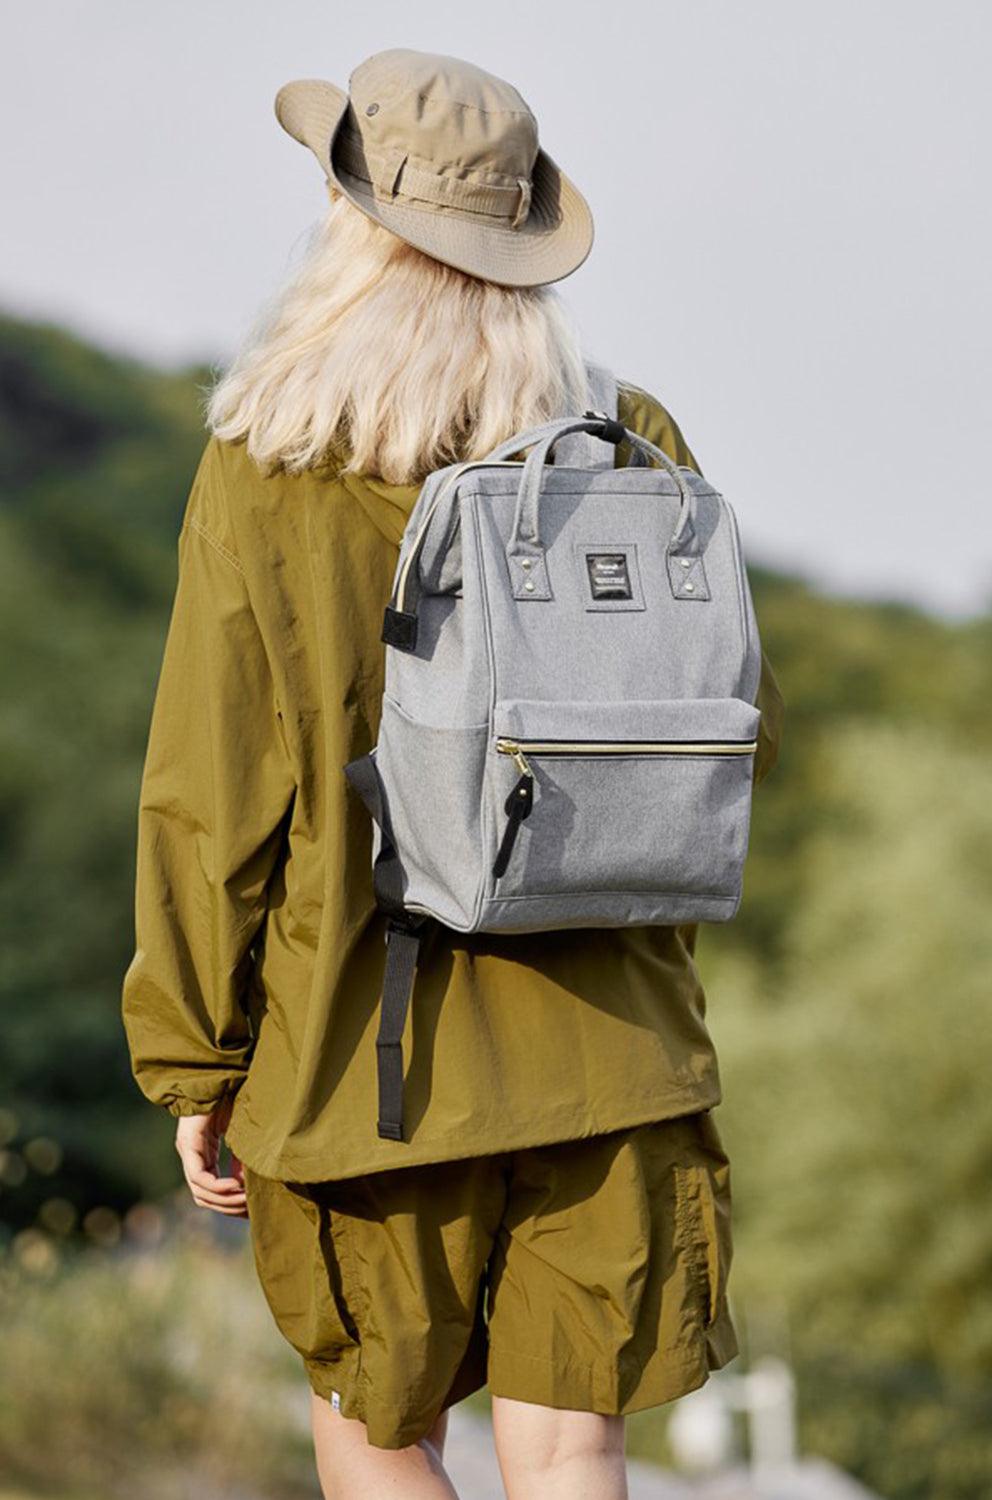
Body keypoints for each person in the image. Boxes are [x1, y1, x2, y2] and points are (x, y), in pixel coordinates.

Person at [121, 46, 784, 1500]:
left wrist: (194, 1058)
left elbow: (212, 796)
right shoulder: (627, 440)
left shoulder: (270, 460)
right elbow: (739, 725)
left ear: (351, 226)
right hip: (613, 1045)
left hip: (366, 1059)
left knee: (379, 1437)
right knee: (574, 1450)